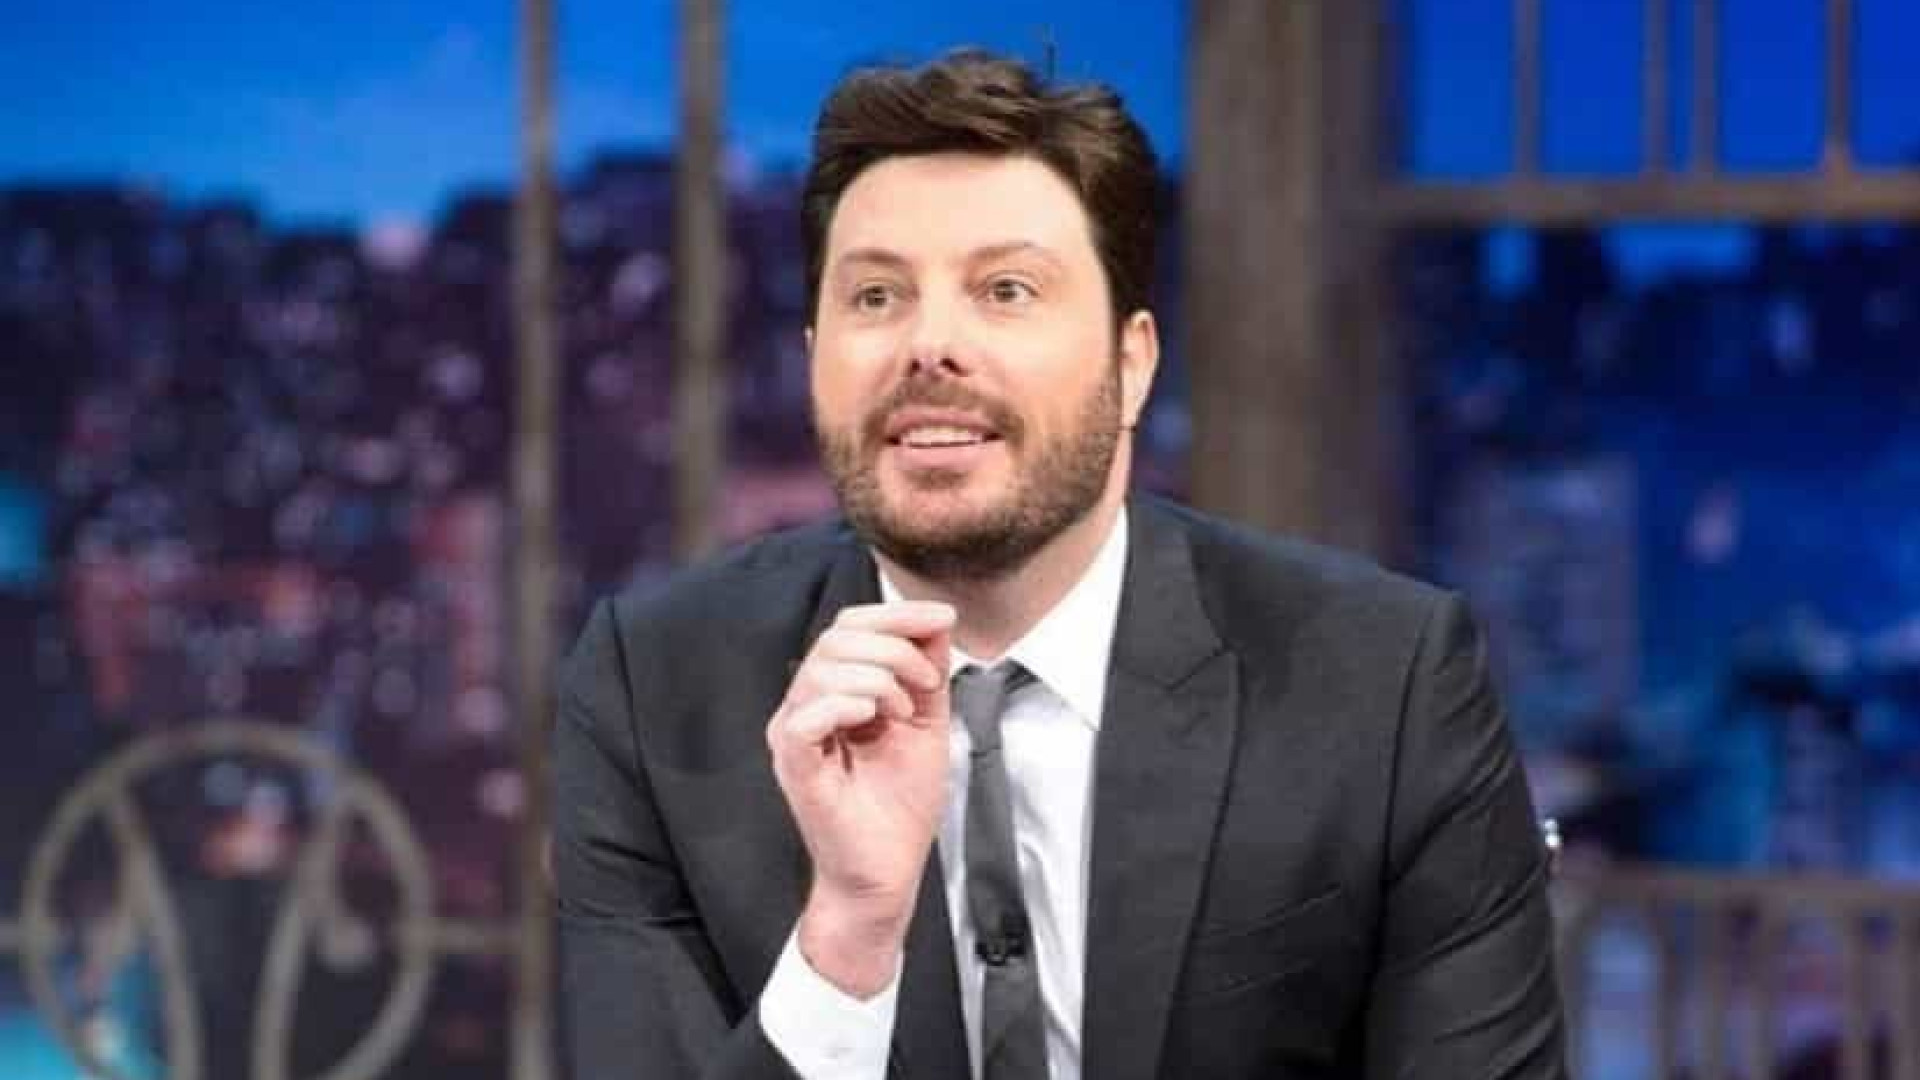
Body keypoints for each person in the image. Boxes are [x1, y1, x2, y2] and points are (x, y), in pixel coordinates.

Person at [551, 49, 1566, 1080]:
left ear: (1133, 363)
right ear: (815, 357)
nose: (929, 344)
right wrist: (847, 943)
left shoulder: (1383, 683)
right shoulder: (654, 693)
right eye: (876, 296)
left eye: (1006, 289)